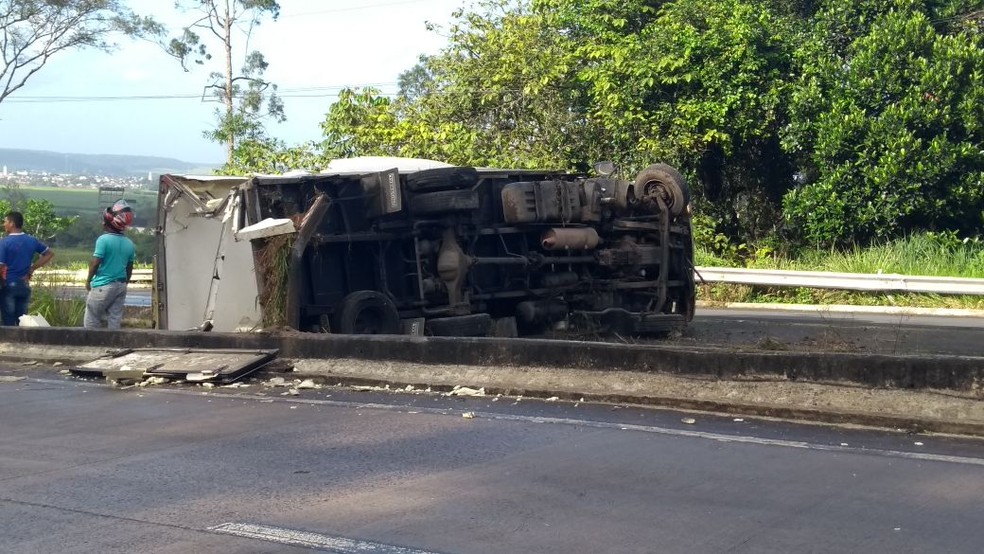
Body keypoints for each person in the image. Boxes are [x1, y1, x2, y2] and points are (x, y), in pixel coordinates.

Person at [84, 200, 136, 329]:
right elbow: (129, 268)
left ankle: (92, 346)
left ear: (110, 224)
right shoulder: (129, 243)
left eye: (105, 222)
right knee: (114, 319)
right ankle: (113, 346)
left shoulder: (103, 240)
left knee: (92, 319)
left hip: (103, 285)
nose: (103, 223)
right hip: (121, 285)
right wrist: (125, 283)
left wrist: (88, 281)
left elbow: (95, 263)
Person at [0, 211, 55, 326]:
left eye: (5, 222)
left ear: (12, 223)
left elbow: (1, 266)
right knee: (22, 321)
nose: (3, 224)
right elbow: (49, 254)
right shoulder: (31, 240)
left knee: (8, 322)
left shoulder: (4, 243)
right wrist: (32, 268)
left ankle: (11, 343)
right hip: (24, 285)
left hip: (8, 285)